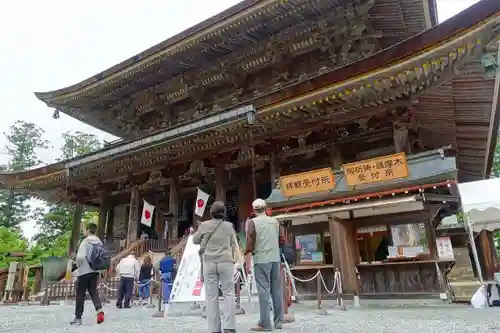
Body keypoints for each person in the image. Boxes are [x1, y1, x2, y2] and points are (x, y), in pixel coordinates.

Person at [193, 201, 237, 333]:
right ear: (223, 213)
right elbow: (232, 243)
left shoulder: (204, 225)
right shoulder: (229, 226)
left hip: (209, 262)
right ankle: (229, 327)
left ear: (211, 212)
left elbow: (195, 240)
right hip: (225, 261)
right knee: (229, 293)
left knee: (211, 296)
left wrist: (201, 229)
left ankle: (214, 328)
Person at [245, 198, 285, 331]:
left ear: (254, 210)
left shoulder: (252, 222)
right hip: (275, 258)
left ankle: (265, 324)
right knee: (276, 290)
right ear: (265, 208)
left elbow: (250, 242)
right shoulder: (275, 222)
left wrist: (248, 256)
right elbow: (282, 240)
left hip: (261, 259)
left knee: (263, 292)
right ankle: (278, 320)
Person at [70, 222, 105, 326]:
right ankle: (99, 310)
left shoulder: (85, 241)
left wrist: (75, 265)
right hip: (95, 271)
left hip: (84, 271)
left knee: (80, 294)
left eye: (85, 229)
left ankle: (78, 318)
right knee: (93, 292)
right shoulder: (99, 242)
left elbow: (80, 258)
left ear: (88, 230)